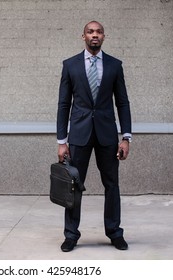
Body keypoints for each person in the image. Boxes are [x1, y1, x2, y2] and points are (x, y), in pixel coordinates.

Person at [56, 21, 132, 252]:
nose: (94, 35)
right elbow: (63, 104)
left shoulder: (114, 65)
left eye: (98, 32)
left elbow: (122, 102)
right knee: (73, 187)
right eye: (90, 32)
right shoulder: (70, 65)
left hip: (107, 136)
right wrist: (62, 141)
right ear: (83, 36)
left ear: (104, 36)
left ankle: (114, 232)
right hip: (79, 136)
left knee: (112, 185)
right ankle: (71, 235)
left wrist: (126, 137)